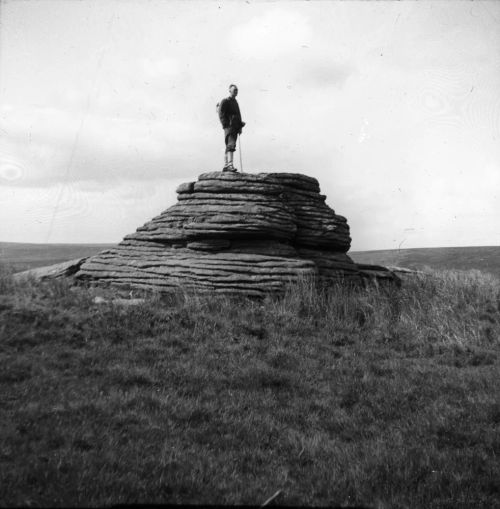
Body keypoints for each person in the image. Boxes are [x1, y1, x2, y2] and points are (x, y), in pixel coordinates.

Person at [218, 84, 245, 172]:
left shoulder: (235, 102)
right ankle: (229, 165)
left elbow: (238, 115)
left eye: (237, 90)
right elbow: (221, 113)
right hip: (229, 127)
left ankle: (227, 165)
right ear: (230, 90)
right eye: (234, 90)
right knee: (231, 144)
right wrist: (225, 124)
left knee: (229, 145)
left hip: (235, 127)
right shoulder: (225, 101)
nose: (236, 91)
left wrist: (240, 126)